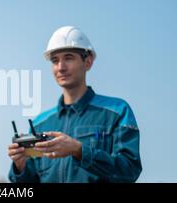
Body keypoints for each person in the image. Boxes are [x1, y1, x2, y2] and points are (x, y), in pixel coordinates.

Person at [8, 26, 142, 182]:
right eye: (55, 60)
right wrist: (20, 167)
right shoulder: (40, 123)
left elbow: (129, 171)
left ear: (88, 61)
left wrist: (79, 150)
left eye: (69, 58)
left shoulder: (117, 112)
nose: (61, 67)